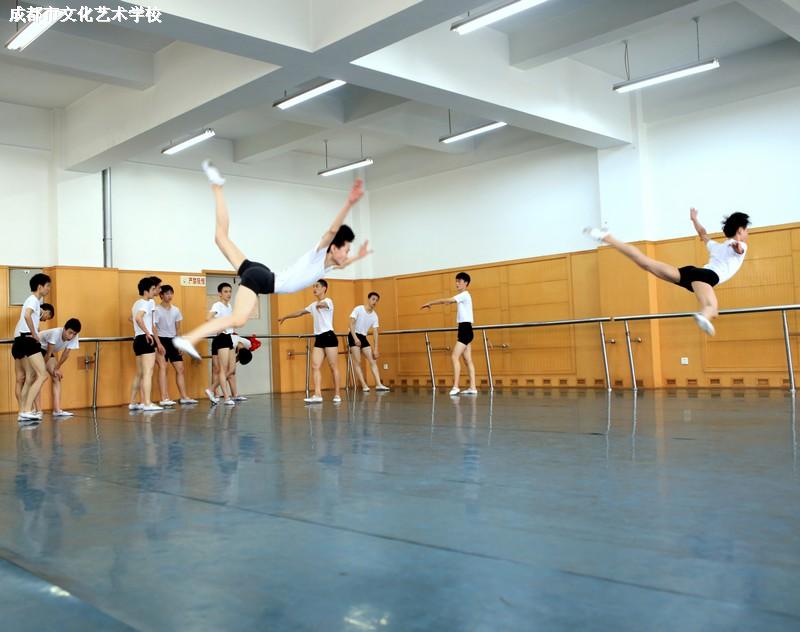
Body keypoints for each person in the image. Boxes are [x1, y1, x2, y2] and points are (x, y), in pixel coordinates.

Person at [172, 161, 370, 360]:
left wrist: (358, 257)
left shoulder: (325, 268)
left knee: (221, 238)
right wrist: (349, 203)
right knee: (238, 319)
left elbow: (343, 263)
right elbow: (332, 231)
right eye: (346, 250)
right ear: (333, 248)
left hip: (261, 272)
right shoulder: (317, 255)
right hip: (262, 278)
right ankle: (190, 338)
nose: (347, 255)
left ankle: (217, 187)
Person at [583, 209, 751, 336]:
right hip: (706, 277)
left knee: (646, 263)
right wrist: (736, 245)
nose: (747, 233)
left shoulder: (716, 246)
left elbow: (703, 234)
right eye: (746, 230)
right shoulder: (740, 245)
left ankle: (608, 237)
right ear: (740, 231)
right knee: (711, 308)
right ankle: (703, 316)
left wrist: (694, 219)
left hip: (691, 273)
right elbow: (738, 249)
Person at [278, 280, 342, 404]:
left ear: (324, 288)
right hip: (319, 338)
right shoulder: (313, 305)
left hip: (329, 336)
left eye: (317, 286)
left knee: (333, 366)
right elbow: (300, 312)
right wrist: (285, 317)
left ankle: (337, 394)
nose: (314, 288)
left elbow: (324, 304)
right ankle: (318, 394)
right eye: (313, 286)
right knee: (315, 366)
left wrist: (320, 305)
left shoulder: (328, 301)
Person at [421, 272, 478, 396]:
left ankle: (456, 386)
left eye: (459, 281)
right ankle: (473, 387)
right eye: (456, 281)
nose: (457, 283)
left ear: (466, 283)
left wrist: (431, 302)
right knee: (467, 360)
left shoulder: (464, 295)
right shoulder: (463, 296)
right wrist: (449, 302)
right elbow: (450, 301)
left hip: (465, 330)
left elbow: (447, 300)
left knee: (454, 356)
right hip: (465, 329)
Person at [12, 273, 52, 422]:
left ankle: (23, 411)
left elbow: (34, 314)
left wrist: (41, 313)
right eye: (47, 286)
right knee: (42, 375)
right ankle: (27, 410)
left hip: (22, 340)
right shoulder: (33, 300)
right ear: (40, 287)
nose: (49, 289)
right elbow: (27, 315)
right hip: (28, 340)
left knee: (30, 378)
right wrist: (34, 333)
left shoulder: (33, 301)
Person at [153, 285, 197, 406]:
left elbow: (178, 329)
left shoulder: (176, 310)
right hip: (161, 340)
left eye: (171, 293)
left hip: (173, 341)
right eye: (167, 293)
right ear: (161, 295)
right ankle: (164, 398)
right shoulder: (156, 310)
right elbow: (154, 328)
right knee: (163, 368)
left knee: (180, 369)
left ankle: (184, 397)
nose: (169, 296)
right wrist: (158, 343)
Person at [130, 277, 164, 412]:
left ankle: (133, 402)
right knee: (148, 373)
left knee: (139, 373)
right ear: (147, 290)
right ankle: (147, 403)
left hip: (137, 340)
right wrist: (148, 333)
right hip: (145, 339)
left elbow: (134, 318)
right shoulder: (148, 302)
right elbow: (138, 318)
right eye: (154, 288)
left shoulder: (136, 304)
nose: (156, 291)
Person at [39, 318, 82, 417]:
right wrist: (41, 370)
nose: (71, 336)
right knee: (38, 378)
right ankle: (36, 410)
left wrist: (56, 368)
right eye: (70, 333)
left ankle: (57, 410)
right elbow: (48, 354)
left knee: (56, 376)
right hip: (37, 347)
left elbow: (65, 354)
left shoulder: (74, 336)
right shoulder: (55, 333)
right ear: (64, 329)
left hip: (47, 351)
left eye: (74, 334)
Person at [348, 292, 390, 392]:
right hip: (353, 335)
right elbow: (351, 324)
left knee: (373, 361)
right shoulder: (358, 309)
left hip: (363, 337)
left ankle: (378, 384)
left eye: (377, 300)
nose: (375, 302)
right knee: (358, 361)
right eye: (373, 299)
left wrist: (376, 349)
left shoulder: (374, 316)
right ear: (369, 299)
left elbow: (375, 332)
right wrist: (355, 338)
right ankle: (364, 385)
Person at [206, 282, 237, 406]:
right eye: (225, 291)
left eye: (230, 291)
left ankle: (211, 389)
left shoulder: (229, 306)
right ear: (220, 293)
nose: (228, 294)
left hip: (228, 337)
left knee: (231, 369)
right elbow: (208, 318)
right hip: (221, 338)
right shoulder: (217, 305)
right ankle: (226, 397)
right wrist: (220, 326)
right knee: (223, 369)